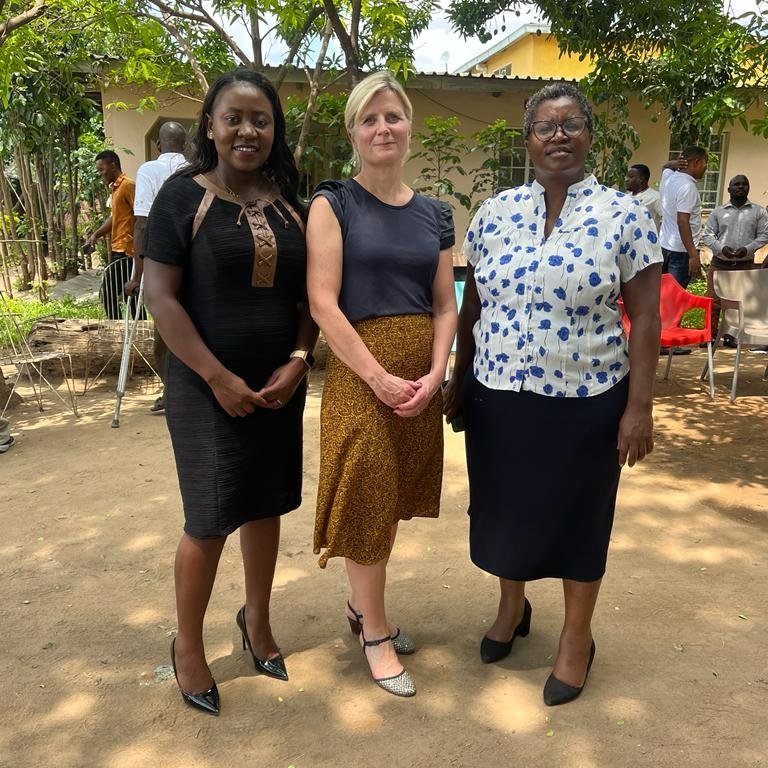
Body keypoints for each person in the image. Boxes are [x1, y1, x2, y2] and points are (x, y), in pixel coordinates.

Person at [443, 82, 662, 707]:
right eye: (546, 125)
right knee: (505, 509)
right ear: (528, 139)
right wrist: (460, 380)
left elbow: (644, 316)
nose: (558, 134)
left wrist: (639, 407)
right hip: (499, 394)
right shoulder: (493, 213)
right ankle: (511, 608)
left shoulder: (624, 214)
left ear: (590, 136)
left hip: (588, 396)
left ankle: (575, 636)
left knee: (578, 517)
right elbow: (472, 305)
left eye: (570, 124)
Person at [143, 68, 317, 716]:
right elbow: (160, 298)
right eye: (234, 117)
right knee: (210, 518)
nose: (248, 130)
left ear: (274, 129)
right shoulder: (181, 198)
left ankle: (257, 621)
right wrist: (218, 378)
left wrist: (300, 359)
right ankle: (188, 644)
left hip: (277, 386)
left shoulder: (292, 201)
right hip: (203, 387)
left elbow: (310, 299)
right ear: (210, 126)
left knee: (266, 505)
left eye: (261, 119)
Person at [306, 71, 457, 698]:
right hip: (361, 377)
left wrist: (434, 374)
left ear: (409, 127)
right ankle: (375, 634)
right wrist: (378, 377)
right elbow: (321, 301)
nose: (382, 128)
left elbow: (446, 305)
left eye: (392, 116)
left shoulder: (434, 216)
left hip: (418, 381)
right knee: (366, 495)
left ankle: (361, 608)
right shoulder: (333, 203)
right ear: (352, 132)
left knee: (391, 498)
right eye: (369, 119)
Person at [125, 121, 188, 411]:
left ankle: (173, 392)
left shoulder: (148, 170)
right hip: (196, 262)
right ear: (185, 145)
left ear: (159, 145)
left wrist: (137, 274)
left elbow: (141, 223)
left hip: (162, 263)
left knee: (165, 333)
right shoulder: (196, 169)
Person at [701, 174, 768, 344]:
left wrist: (748, 249)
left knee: (739, 304)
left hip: (745, 265)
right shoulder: (718, 211)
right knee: (713, 301)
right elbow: (707, 235)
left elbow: (764, 235)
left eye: (744, 184)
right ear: (729, 189)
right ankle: (710, 336)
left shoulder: (758, 212)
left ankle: (733, 336)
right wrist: (720, 248)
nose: (740, 187)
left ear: (748, 188)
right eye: (736, 184)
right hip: (720, 264)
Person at [84, 150, 137, 319]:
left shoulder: (128, 185)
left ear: (113, 165)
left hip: (126, 251)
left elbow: (141, 214)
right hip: (119, 249)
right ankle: (132, 330)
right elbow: (116, 217)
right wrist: (96, 235)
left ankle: (117, 329)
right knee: (131, 295)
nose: (100, 174)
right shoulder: (115, 188)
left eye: (101, 170)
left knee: (108, 294)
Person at [659, 146, 708, 289]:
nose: (706, 168)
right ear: (697, 162)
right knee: (674, 298)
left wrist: (674, 163)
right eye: (705, 163)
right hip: (681, 252)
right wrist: (693, 255)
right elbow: (682, 221)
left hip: (664, 247)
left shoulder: (668, 178)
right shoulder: (688, 187)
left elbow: (665, 166)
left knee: (662, 293)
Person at [625, 163, 662, 232]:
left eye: (631, 177)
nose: (626, 180)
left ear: (641, 179)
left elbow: (665, 220)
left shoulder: (656, 197)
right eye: (627, 177)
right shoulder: (626, 197)